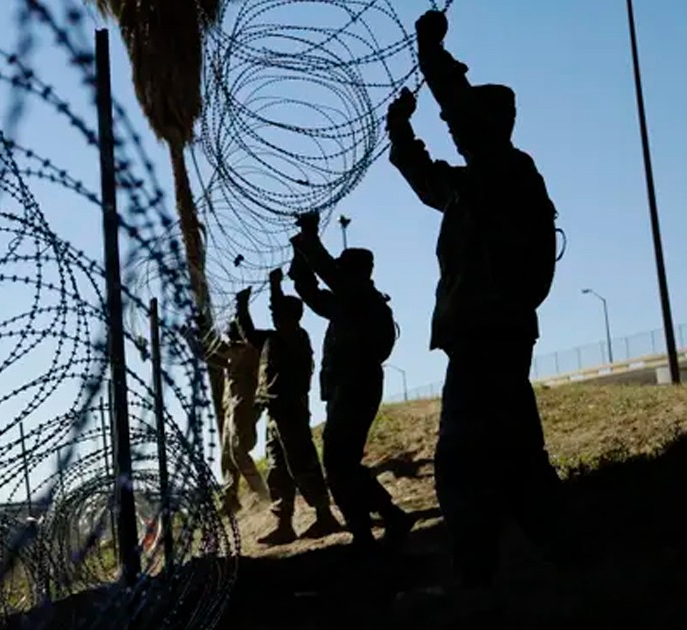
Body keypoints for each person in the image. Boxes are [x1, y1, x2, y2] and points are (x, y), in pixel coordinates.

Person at [385, 9, 570, 590]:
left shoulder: (508, 174)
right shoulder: (477, 186)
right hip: (487, 336)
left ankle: (478, 577)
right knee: (514, 456)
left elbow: (461, 114)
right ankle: (558, 554)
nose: (461, 131)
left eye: (473, 124)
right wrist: (400, 133)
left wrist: (431, 54)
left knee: (464, 459)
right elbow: (426, 179)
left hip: (492, 335)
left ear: (497, 125)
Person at [288, 212, 413, 553]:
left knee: (340, 463)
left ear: (357, 272)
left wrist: (309, 236)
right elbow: (310, 291)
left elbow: (326, 273)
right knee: (341, 463)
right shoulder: (348, 303)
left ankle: (376, 522)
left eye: (343, 270)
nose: (337, 275)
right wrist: (300, 254)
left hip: (356, 385)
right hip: (347, 387)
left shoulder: (359, 298)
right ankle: (376, 521)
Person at [235, 270, 342, 545]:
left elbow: (277, 311)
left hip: (291, 410)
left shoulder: (295, 337)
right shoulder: (272, 339)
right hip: (274, 412)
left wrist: (274, 287)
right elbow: (247, 333)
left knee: (302, 463)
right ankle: (284, 524)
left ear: (291, 316)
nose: (273, 316)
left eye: (279, 312)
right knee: (277, 469)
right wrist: (242, 307)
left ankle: (324, 515)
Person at [207, 321, 270, 514]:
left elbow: (217, 350)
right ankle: (230, 497)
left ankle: (262, 494)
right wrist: (192, 339)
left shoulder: (245, 350)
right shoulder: (235, 354)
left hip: (243, 405)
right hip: (232, 407)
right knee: (227, 454)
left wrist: (203, 332)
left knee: (237, 451)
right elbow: (212, 357)